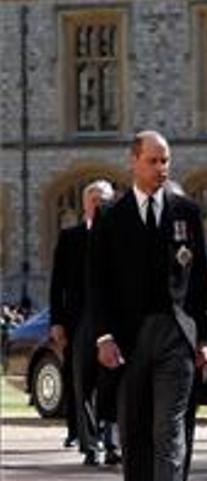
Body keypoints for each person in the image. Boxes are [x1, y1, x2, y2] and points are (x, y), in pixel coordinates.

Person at [91, 131, 207, 481]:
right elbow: (99, 284)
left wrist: (205, 339)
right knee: (137, 428)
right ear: (133, 162)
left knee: (171, 430)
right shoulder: (111, 216)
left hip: (176, 334)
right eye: (154, 161)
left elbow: (202, 282)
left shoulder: (186, 212)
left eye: (166, 161)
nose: (162, 169)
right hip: (129, 337)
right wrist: (104, 336)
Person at [50, 180, 120, 466]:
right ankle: (91, 445)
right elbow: (58, 284)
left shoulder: (120, 236)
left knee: (113, 382)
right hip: (80, 320)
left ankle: (113, 443)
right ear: (85, 204)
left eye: (104, 199)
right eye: (94, 199)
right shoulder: (71, 238)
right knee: (84, 383)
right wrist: (57, 321)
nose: (99, 204)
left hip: (113, 320)